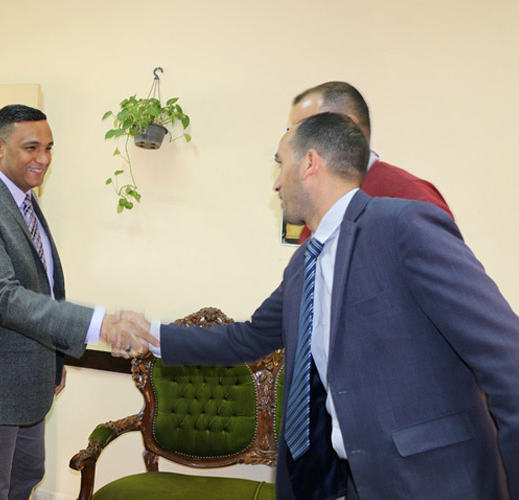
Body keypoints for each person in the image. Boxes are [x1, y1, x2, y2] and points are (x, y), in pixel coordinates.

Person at [129, 113, 519, 499]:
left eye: (280, 164)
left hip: (439, 482)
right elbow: (246, 338)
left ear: (310, 163)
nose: (276, 183)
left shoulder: (403, 226)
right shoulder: (303, 264)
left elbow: (507, 360)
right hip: (359, 483)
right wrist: (148, 334)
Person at [0, 104, 155, 500]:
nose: (43, 159)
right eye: (31, 148)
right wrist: (101, 324)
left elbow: (45, 288)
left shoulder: (24, 198)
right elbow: (3, 298)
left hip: (32, 378)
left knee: (26, 479)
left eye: (49, 147)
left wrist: (55, 360)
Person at [290, 81, 452, 243]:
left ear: (347, 127)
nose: (294, 142)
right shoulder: (318, 210)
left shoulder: (412, 198)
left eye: (307, 129)